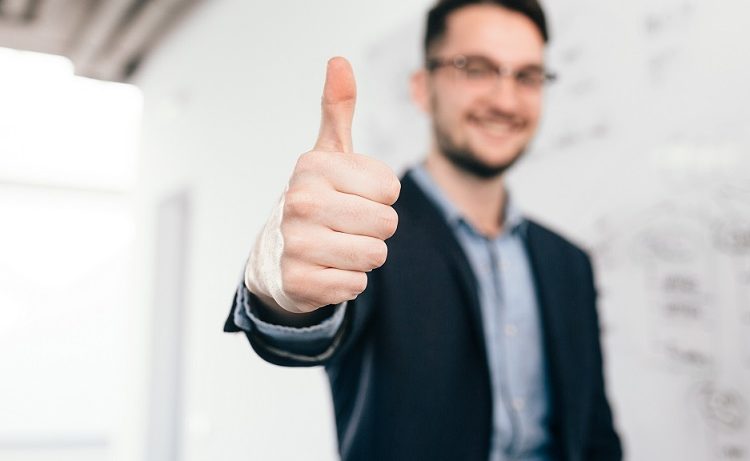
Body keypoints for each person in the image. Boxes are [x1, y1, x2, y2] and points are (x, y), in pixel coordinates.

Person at [224, 0, 623, 459]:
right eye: (476, 68)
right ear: (422, 88)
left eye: (527, 76)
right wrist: (277, 291)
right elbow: (302, 324)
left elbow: (594, 432)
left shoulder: (569, 262)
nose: (506, 100)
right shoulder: (365, 232)